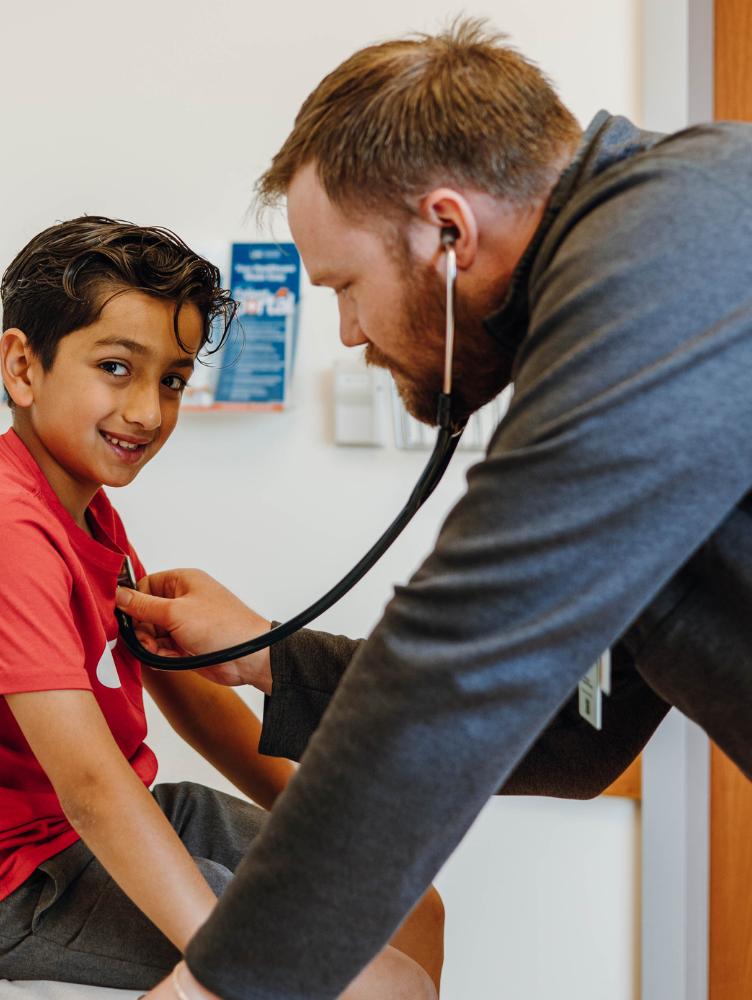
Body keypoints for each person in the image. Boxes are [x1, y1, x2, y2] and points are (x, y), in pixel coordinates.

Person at [118, 20, 752, 1000]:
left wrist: (215, 987)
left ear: (447, 232)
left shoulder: (676, 244)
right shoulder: (634, 308)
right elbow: (573, 733)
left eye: (345, 286)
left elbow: (454, 666)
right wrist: (270, 656)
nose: (348, 331)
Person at [0, 216, 439, 998]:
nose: (147, 410)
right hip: (16, 891)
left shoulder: (89, 517)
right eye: (116, 367)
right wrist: (224, 957)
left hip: (106, 827)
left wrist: (315, 823)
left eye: (172, 380)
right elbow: (90, 787)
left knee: (407, 902)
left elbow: (194, 700)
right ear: (21, 366)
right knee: (377, 983)